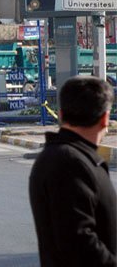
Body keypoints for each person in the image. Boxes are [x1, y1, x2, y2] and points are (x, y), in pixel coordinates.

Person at [29, 76, 116, 266]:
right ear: (105, 119)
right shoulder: (70, 163)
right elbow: (79, 243)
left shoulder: (67, 156)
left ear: (60, 115)